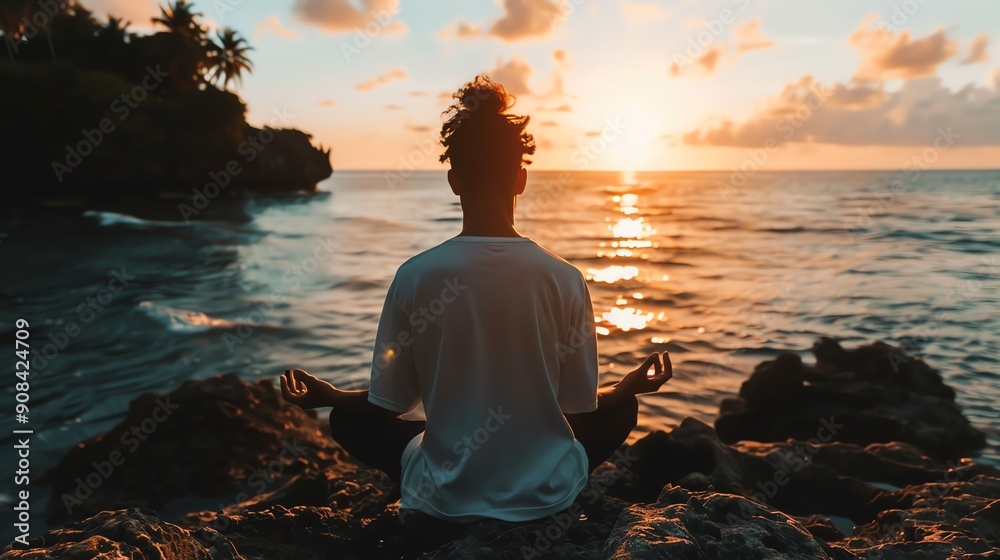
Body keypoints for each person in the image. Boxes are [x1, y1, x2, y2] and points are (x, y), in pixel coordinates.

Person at [280, 75, 672, 524]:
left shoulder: (415, 275)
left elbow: (388, 405)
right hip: (546, 496)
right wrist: (626, 389)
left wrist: (330, 395)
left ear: (453, 181)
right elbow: (578, 408)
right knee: (623, 410)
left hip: (444, 496)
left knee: (348, 421)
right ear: (521, 179)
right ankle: (540, 481)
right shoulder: (565, 279)